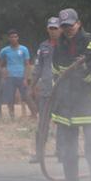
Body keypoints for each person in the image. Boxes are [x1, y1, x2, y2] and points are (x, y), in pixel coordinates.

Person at [50, 8, 91, 181]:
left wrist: (87, 73)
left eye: (70, 25)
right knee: (68, 151)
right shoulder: (59, 45)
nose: (67, 29)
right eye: (64, 26)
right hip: (66, 106)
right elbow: (57, 71)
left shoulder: (90, 42)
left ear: (78, 23)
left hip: (89, 105)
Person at [31, 17, 61, 163]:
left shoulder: (66, 45)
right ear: (47, 29)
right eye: (51, 28)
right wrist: (32, 85)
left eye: (56, 28)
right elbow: (38, 67)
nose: (53, 31)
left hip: (62, 90)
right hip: (46, 90)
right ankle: (39, 154)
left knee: (63, 122)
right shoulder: (43, 47)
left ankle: (62, 152)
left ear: (61, 29)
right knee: (43, 122)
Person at [0, 29, 34, 120]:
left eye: (15, 37)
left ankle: (34, 114)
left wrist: (26, 78)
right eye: (11, 37)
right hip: (10, 77)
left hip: (22, 76)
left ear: (18, 38)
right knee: (10, 98)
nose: (13, 38)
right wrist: (3, 71)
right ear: (9, 38)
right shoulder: (5, 50)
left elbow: (27, 64)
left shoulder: (24, 49)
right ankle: (12, 116)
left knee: (26, 96)